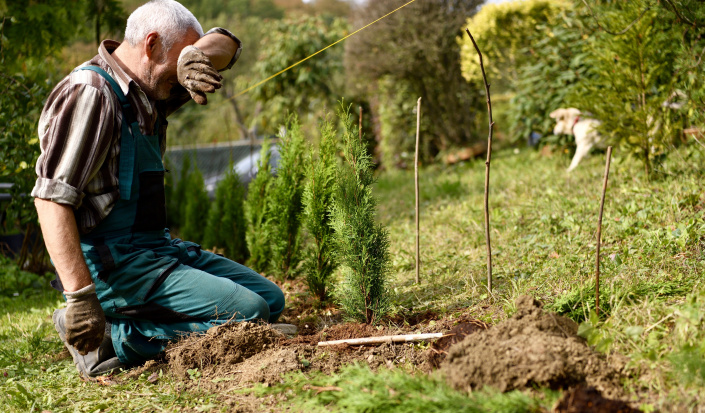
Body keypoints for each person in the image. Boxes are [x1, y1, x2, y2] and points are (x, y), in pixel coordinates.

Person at [31, 0, 286, 379]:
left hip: (152, 249)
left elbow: (228, 44)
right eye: (182, 57)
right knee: (250, 312)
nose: (186, 75)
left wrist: (194, 55)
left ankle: (201, 327)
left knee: (270, 300)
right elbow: (50, 200)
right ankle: (115, 339)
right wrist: (81, 298)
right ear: (150, 45)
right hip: (113, 264)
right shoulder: (93, 93)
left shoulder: (150, 90)